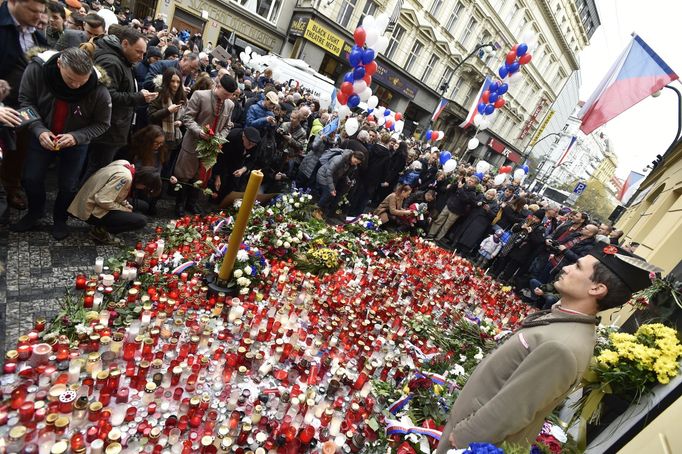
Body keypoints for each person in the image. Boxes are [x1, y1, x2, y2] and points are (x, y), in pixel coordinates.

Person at [435, 245, 656, 451]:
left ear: (597, 288)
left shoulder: (562, 346)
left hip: (471, 440)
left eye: (577, 267)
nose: (567, 267)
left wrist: (465, 437)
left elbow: (512, 409)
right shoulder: (565, 322)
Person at [11, 47, 112, 239]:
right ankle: (35, 211)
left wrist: (76, 137)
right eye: (71, 79)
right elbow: (25, 102)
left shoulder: (99, 88)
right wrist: (39, 130)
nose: (75, 86)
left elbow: (102, 124)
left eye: (81, 82)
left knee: (68, 184)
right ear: (59, 65)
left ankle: (60, 218)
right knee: (31, 178)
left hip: (76, 143)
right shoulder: (37, 69)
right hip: (40, 134)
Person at [83, 27, 157, 179]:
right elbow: (107, 96)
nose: (141, 57)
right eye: (138, 52)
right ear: (124, 44)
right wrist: (138, 97)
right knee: (96, 174)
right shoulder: (112, 62)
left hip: (114, 128)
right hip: (107, 130)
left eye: (143, 53)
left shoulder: (123, 60)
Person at [0, 0, 49, 211]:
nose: (38, 17)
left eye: (41, 12)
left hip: (26, 107)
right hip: (2, 106)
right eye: (32, 10)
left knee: (20, 148)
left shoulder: (37, 35)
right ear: (13, 2)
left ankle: (12, 186)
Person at [174, 74, 237, 216]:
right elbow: (187, 118)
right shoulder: (200, 95)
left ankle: (192, 203)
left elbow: (228, 126)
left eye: (230, 95)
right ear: (218, 86)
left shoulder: (230, 104)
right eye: (225, 94)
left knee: (200, 178)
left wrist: (220, 138)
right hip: (192, 144)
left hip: (211, 149)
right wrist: (199, 131)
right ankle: (179, 205)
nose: (227, 97)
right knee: (184, 176)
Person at [68, 160, 160, 244]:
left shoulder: (125, 164)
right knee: (141, 220)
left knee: (143, 206)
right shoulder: (125, 178)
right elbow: (102, 200)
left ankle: (108, 223)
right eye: (145, 187)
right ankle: (101, 231)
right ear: (143, 182)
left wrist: (125, 204)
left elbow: (114, 192)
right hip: (90, 209)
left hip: (89, 199)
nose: (143, 189)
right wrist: (123, 209)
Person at [147, 67, 186, 175]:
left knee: (167, 172)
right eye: (172, 81)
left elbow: (185, 114)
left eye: (178, 82)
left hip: (175, 141)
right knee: (155, 170)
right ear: (166, 81)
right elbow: (151, 116)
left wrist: (180, 122)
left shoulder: (181, 95)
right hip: (159, 141)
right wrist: (168, 111)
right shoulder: (159, 94)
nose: (175, 85)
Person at [212, 126, 260, 201]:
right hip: (225, 162)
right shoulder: (232, 137)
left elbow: (253, 159)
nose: (251, 146)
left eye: (253, 145)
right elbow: (221, 157)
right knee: (219, 184)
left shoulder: (255, 143)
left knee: (232, 186)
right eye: (249, 143)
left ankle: (223, 204)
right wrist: (217, 176)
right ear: (243, 136)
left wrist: (243, 169)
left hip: (239, 165)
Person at [429, 175, 480, 242]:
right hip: (449, 205)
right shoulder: (463, 184)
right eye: (470, 179)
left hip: (456, 212)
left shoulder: (473, 193)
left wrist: (460, 189)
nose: (469, 181)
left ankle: (438, 239)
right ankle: (431, 234)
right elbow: (451, 189)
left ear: (475, 184)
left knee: (446, 226)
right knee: (439, 220)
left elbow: (466, 200)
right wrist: (457, 183)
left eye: (472, 181)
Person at [316, 148, 365, 218]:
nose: (355, 164)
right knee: (328, 193)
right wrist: (332, 188)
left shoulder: (351, 164)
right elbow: (329, 173)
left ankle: (319, 210)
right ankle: (315, 210)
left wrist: (348, 181)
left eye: (357, 163)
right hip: (323, 175)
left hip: (332, 178)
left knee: (330, 195)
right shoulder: (339, 159)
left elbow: (344, 174)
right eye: (355, 161)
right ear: (353, 156)